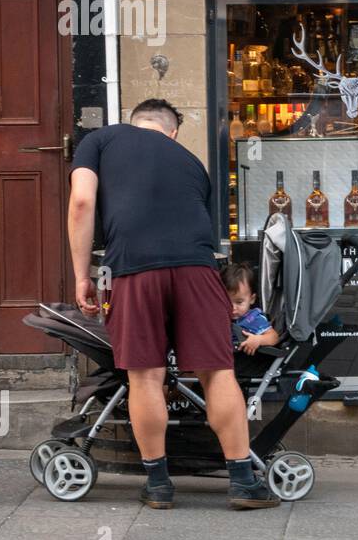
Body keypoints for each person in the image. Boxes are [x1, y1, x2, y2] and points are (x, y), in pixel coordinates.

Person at [68, 99, 280, 510]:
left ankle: (159, 485)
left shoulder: (100, 140)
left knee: (145, 377)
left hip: (133, 269)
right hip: (198, 269)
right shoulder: (192, 163)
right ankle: (243, 481)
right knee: (217, 373)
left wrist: (81, 275)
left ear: (132, 123)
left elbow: (81, 203)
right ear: (173, 132)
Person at [222, 262, 280, 356]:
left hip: (244, 359)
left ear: (252, 299)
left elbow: (274, 337)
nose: (233, 308)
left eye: (239, 302)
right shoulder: (220, 316)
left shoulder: (253, 318)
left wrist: (258, 340)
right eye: (227, 302)